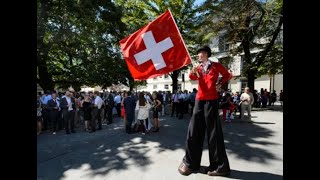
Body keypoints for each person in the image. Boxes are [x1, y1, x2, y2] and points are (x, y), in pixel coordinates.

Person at [178, 46, 232, 177]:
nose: (198, 56)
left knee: (214, 133)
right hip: (199, 100)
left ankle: (220, 166)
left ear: (206, 54)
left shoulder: (216, 66)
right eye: (197, 54)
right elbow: (192, 77)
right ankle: (191, 163)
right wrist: (193, 71)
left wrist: (220, 83)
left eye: (200, 54)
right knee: (194, 130)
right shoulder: (199, 68)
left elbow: (227, 75)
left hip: (212, 100)